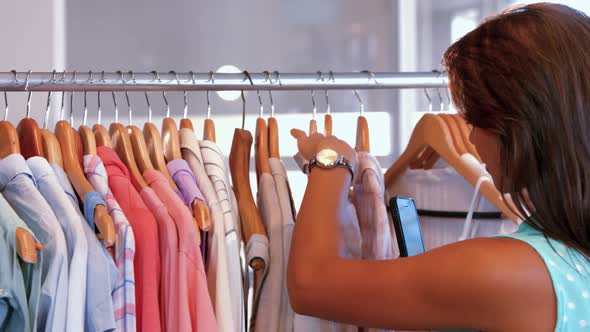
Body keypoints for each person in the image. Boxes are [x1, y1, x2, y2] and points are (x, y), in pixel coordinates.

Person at [287, 3, 590, 331]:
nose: (471, 138)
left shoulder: (510, 273)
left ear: (521, 123)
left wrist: (332, 158)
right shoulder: (568, 258)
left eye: (476, 120)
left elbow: (310, 285)